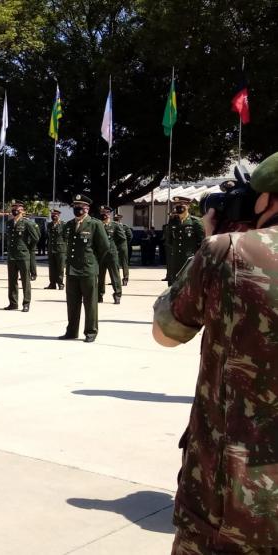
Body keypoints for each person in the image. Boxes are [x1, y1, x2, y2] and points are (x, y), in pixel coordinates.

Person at [152, 151, 278, 555]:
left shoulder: (231, 251)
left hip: (238, 499)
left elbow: (166, 333)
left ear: (265, 201)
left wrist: (210, 244)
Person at [59, 195, 109, 342]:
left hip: (88, 269)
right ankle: (71, 331)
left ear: (87, 208)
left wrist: (93, 262)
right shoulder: (69, 225)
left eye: (80, 206)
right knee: (72, 303)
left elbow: (105, 247)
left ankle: (91, 332)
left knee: (90, 303)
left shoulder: (95, 224)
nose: (77, 209)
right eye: (75, 206)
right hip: (72, 269)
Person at [5, 200, 40, 312]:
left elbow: (35, 238)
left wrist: (28, 248)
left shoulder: (27, 223)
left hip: (23, 255)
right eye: (13, 208)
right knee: (12, 281)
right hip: (12, 256)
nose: (15, 210)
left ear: (22, 210)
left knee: (25, 281)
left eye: (17, 208)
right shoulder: (9, 223)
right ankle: (13, 303)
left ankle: (26, 303)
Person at [166, 196, 204, 285]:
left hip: (189, 258)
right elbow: (169, 240)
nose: (179, 206)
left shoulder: (195, 222)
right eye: (177, 205)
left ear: (188, 206)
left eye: (182, 204)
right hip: (175, 258)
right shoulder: (172, 221)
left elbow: (202, 241)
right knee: (174, 284)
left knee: (189, 283)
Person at [97, 206, 124, 304]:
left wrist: (114, 247)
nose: (104, 215)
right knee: (100, 276)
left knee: (115, 276)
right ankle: (99, 295)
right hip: (100, 255)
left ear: (109, 214)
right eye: (102, 213)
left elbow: (123, 238)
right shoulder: (98, 225)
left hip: (112, 254)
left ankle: (117, 295)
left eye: (106, 213)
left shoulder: (115, 226)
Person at [45, 209, 66, 290]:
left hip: (60, 249)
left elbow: (66, 237)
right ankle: (52, 284)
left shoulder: (63, 225)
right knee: (52, 267)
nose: (53, 216)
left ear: (59, 215)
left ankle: (60, 284)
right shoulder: (49, 225)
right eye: (52, 215)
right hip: (51, 249)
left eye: (55, 215)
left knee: (60, 268)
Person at [113, 214, 132, 285]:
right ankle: (117, 280)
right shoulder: (112, 226)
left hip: (122, 247)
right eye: (115, 219)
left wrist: (125, 244)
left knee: (123, 263)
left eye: (117, 219)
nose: (116, 220)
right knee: (115, 264)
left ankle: (125, 279)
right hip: (115, 247)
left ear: (120, 219)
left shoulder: (125, 227)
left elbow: (130, 236)